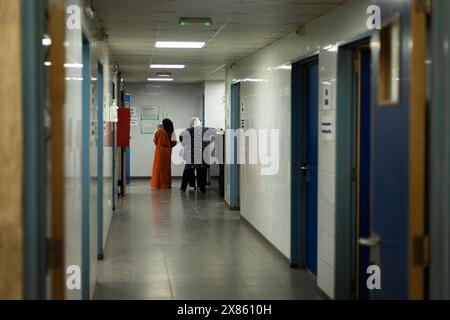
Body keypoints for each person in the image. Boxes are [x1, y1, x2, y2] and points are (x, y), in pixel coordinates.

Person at [179, 117, 214, 193]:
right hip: (202, 155)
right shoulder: (206, 129)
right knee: (202, 171)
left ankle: (184, 187)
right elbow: (217, 131)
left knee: (188, 171)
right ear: (200, 123)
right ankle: (201, 188)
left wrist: (185, 144)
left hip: (191, 155)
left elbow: (181, 138)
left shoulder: (187, 131)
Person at [151, 118, 177, 189]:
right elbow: (174, 143)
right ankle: (167, 183)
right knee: (167, 168)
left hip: (160, 150)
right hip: (168, 150)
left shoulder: (160, 131)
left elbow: (155, 141)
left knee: (158, 167)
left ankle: (159, 184)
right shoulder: (172, 132)